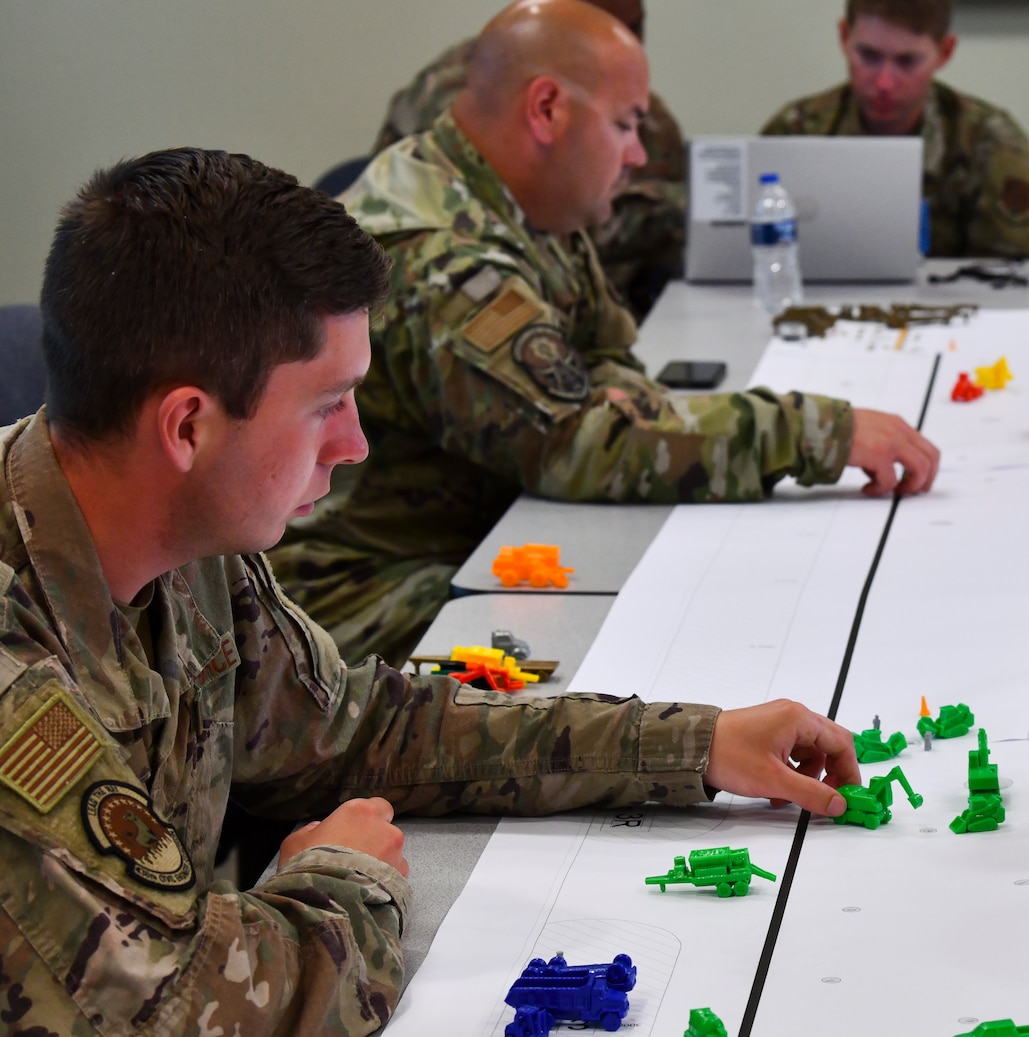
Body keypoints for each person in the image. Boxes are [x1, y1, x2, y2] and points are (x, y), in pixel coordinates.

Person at [0, 147, 862, 1032]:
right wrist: (343, 874)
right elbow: (194, 1010)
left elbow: (356, 732)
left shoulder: (185, 530)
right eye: (326, 404)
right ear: (188, 425)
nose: (355, 444)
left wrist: (691, 744)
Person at [274, 0, 940, 669]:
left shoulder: (519, 201)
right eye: (625, 125)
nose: (639, 154)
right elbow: (575, 443)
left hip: (489, 534)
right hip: (366, 587)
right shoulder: (441, 256)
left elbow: (607, 356)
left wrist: (623, 413)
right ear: (547, 110)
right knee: (628, 665)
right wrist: (813, 433)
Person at [374, 0, 687, 314]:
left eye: (635, 27)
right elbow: (531, 226)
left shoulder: (643, 114)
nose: (628, 45)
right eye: (602, 29)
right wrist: (675, 210)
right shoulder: (472, 97)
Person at [761, 0, 1029, 261]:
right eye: (869, 56)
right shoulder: (795, 133)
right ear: (844, 37)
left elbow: (1015, 286)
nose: (885, 83)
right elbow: (755, 262)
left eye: (907, 61)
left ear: (945, 52)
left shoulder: (989, 143)